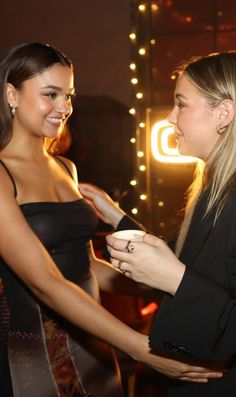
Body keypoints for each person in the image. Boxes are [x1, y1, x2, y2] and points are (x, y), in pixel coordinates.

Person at [0, 42, 220, 397]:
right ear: (11, 93)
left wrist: (167, 282)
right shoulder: (1, 174)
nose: (64, 108)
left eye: (69, 96)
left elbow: (90, 267)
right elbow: (45, 282)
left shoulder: (64, 168)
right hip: (34, 357)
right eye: (51, 94)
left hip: (96, 348)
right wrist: (143, 348)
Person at [105, 50, 236, 396]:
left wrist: (176, 280)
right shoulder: (213, 189)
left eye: (181, 104)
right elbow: (179, 256)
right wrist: (115, 216)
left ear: (224, 113)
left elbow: (179, 273)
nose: (169, 118)